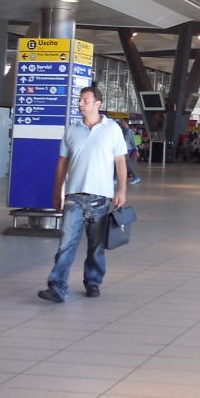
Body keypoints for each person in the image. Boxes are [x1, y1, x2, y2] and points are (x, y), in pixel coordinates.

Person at [39, 87, 129, 303]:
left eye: (85, 100)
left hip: (100, 197)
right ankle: (57, 287)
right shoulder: (72, 130)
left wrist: (122, 190)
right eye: (80, 100)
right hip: (74, 196)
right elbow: (62, 163)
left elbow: (120, 161)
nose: (80, 103)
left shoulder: (112, 129)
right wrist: (57, 191)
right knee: (66, 243)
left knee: (96, 245)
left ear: (97, 103)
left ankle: (93, 281)